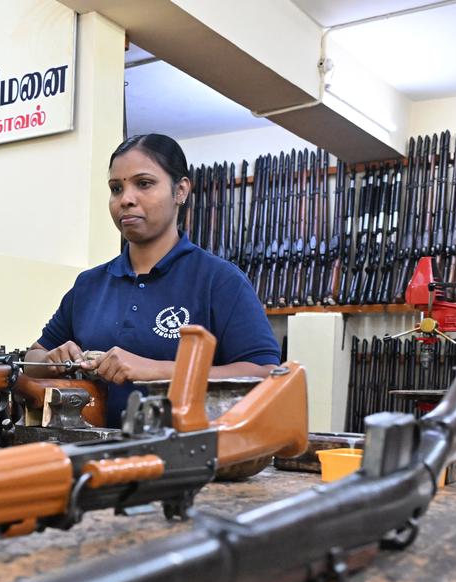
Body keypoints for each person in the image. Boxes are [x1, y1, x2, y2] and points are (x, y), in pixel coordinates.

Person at [23, 133, 280, 426]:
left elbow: (264, 372)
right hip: (93, 459)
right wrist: (51, 362)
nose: (126, 199)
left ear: (180, 191)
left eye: (143, 184)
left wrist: (153, 370)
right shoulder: (89, 285)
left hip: (188, 462)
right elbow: (33, 360)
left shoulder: (219, 281)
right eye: (116, 188)